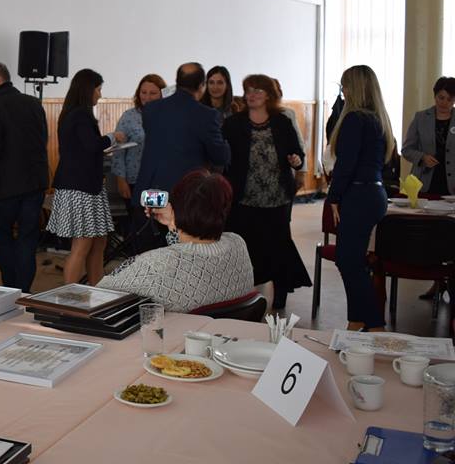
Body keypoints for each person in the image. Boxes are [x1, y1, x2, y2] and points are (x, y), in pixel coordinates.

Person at [98, 170, 253, 312]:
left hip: (175, 332)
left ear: (177, 206)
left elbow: (100, 294)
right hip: (222, 331)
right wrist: (174, 224)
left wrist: (178, 220)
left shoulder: (155, 265)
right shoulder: (238, 244)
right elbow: (191, 261)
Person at [222, 74, 311, 310]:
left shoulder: (281, 121)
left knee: (279, 244)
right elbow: (223, 156)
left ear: (269, 96)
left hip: (277, 196)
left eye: (257, 91)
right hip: (244, 197)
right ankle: (245, 293)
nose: (251, 95)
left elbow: (296, 152)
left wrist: (296, 160)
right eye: (248, 90)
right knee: (247, 244)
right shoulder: (234, 123)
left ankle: (280, 291)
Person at [133, 62, 231, 251]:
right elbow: (221, 157)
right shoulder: (206, 115)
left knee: (149, 252)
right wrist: (225, 142)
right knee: (184, 253)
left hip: (151, 190)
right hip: (186, 196)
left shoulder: (151, 110)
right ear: (201, 86)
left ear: (177, 82)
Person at [328, 64, 395, 332]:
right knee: (352, 260)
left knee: (349, 261)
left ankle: (374, 324)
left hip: (359, 193)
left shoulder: (355, 119)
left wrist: (333, 197)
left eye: (345, 85)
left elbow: (346, 164)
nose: (343, 91)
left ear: (354, 88)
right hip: (373, 192)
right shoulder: (378, 119)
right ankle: (357, 320)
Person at [47, 69, 125, 284]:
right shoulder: (80, 114)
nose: (100, 94)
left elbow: (82, 148)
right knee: (82, 245)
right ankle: (70, 295)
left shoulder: (74, 113)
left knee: (99, 242)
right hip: (79, 188)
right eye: (98, 89)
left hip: (87, 186)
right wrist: (112, 137)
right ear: (88, 89)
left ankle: (96, 290)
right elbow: (92, 145)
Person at [0, 62, 49, 293]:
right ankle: (25, 290)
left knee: (4, 238)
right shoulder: (34, 103)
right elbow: (43, 140)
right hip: (34, 183)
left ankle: (10, 290)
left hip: (4, 186)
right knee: (28, 238)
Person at [110, 74, 166, 207]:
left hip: (161, 181)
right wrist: (121, 180)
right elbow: (118, 151)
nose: (147, 97)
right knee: (138, 217)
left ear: (162, 94)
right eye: (143, 92)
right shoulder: (129, 116)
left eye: (153, 93)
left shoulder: (169, 116)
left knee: (157, 216)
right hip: (134, 181)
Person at [402, 76, 455, 196]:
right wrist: (422, 157)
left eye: (449, 99)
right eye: (441, 97)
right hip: (423, 183)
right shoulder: (420, 118)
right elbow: (406, 150)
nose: (444, 103)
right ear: (434, 95)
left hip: (451, 186)